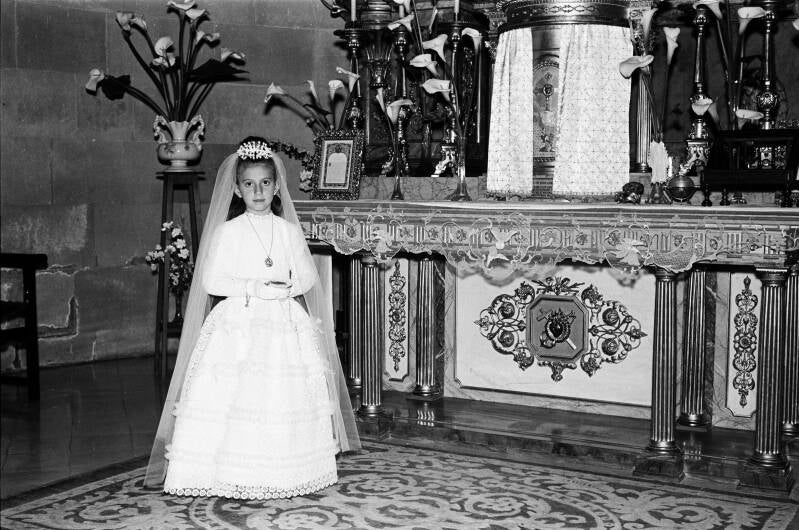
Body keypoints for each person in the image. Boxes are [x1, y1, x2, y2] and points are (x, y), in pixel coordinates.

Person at [144, 137, 360, 499]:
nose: (257, 191)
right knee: (235, 395)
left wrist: (286, 288)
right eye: (249, 184)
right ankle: (228, 469)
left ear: (276, 187)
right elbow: (212, 281)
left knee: (280, 394)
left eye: (265, 183)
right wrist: (254, 287)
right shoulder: (228, 232)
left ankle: (284, 469)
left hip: (282, 321)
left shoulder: (288, 231)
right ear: (236, 189)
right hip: (239, 323)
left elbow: (307, 276)